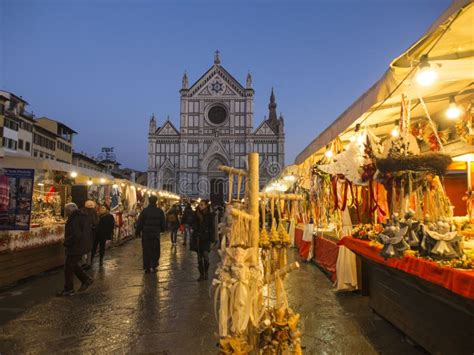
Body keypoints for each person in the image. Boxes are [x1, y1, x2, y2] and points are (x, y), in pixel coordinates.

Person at [57, 203, 94, 296]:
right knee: (72, 264)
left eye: (66, 211)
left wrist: (67, 242)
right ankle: (86, 280)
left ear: (69, 211)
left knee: (68, 267)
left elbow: (76, 235)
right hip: (81, 245)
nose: (65, 213)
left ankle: (69, 289)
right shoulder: (81, 216)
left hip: (76, 246)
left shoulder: (74, 219)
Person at [136, 195, 166, 273]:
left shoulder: (144, 211)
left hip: (146, 233)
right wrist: (162, 229)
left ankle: (147, 267)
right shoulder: (159, 211)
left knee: (146, 250)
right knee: (155, 250)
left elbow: (140, 222)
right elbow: (163, 222)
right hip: (155, 233)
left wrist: (138, 231)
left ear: (149, 201)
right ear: (156, 201)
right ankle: (154, 265)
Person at [192, 200, 215, 281]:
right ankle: (201, 274)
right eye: (199, 204)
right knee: (199, 258)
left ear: (206, 205)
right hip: (198, 238)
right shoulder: (196, 214)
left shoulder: (209, 215)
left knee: (205, 256)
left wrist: (213, 239)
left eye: (202, 204)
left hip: (206, 238)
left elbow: (212, 227)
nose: (200, 206)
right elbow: (192, 223)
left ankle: (206, 272)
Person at [81, 200, 99, 270]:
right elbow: (96, 222)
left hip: (84, 232)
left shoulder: (82, 211)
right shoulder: (94, 212)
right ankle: (88, 263)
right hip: (91, 232)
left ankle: (84, 262)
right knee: (89, 248)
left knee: (83, 247)